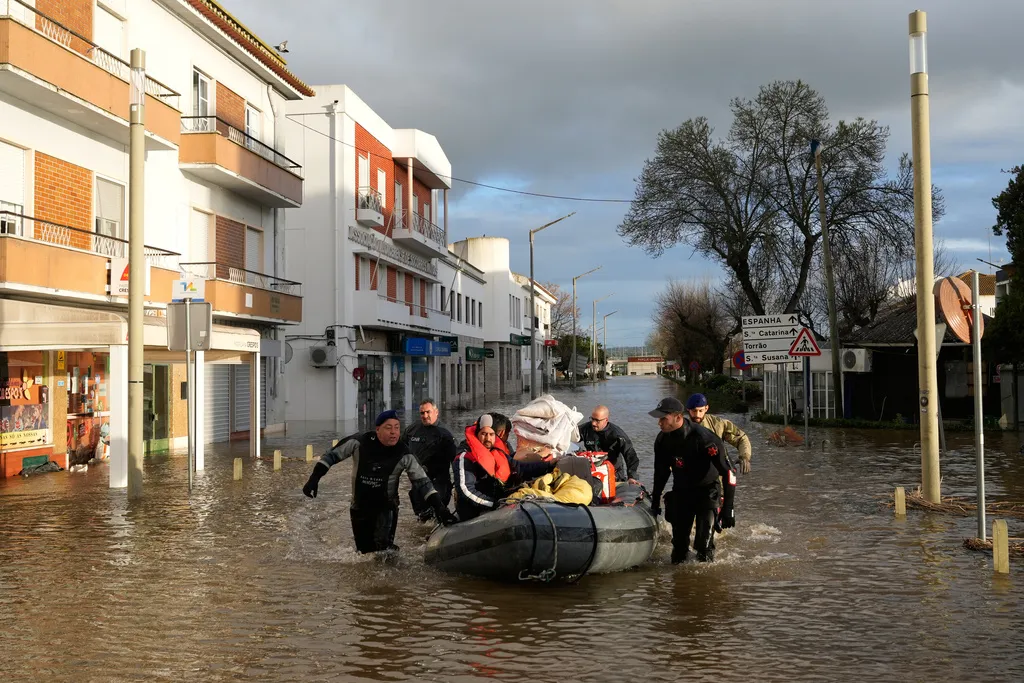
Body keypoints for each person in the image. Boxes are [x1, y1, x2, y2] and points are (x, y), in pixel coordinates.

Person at [302, 409, 457, 554]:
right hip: (359, 506)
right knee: (364, 554)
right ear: (377, 430)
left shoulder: (404, 453)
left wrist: (440, 509)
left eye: (397, 428)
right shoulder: (360, 442)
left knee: (383, 552)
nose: (394, 432)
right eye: (388, 428)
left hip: (386, 507)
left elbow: (422, 482)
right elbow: (331, 456)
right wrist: (314, 479)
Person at [648, 397, 736, 564]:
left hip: (707, 492)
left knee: (703, 547)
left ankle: (705, 586)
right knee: (679, 549)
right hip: (682, 492)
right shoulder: (662, 440)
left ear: (678, 417)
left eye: (663, 419)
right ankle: (680, 585)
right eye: (658, 419)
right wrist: (655, 500)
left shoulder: (704, 438)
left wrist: (729, 508)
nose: (659, 423)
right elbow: (661, 472)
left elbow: (729, 473)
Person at [453, 414, 552, 521]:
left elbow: (519, 467)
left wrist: (548, 466)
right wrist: (493, 504)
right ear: (477, 434)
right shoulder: (465, 457)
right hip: (475, 509)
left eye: (491, 434)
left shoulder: (497, 451)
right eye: (484, 434)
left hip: (496, 500)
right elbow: (466, 490)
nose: (488, 438)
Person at [403, 399, 458, 522]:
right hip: (419, 481)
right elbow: (401, 449)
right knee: (422, 518)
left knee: (436, 513)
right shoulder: (412, 430)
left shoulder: (446, 434)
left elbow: (456, 460)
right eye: (422, 413)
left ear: (436, 412)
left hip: (439, 481)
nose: (425, 416)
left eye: (428, 412)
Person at [685, 393, 753, 474]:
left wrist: (745, 457)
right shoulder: (682, 427)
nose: (697, 415)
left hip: (717, 476)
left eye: (700, 411)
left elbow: (741, 438)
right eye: (694, 411)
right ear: (688, 410)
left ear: (706, 408)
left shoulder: (718, 424)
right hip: (691, 477)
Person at [577, 405, 641, 483]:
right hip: (593, 470)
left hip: (614, 473)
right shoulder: (586, 429)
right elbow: (570, 434)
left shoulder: (617, 434)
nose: (593, 423)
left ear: (606, 420)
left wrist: (632, 477)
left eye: (597, 420)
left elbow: (630, 455)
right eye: (592, 419)